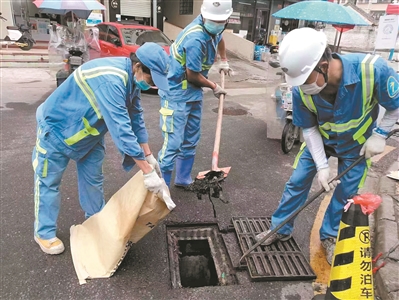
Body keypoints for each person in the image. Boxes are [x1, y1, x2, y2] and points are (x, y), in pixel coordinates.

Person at [255, 28, 399, 264]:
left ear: (323, 65)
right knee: (297, 182)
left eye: (305, 80)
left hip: (357, 145)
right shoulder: (302, 89)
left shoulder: (373, 70)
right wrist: (322, 165)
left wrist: (381, 135)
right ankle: (280, 228)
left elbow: (395, 105)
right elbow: (308, 128)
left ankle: (330, 235)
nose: (301, 87)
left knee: (345, 193)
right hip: (320, 140)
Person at [32, 42, 169, 255]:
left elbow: (136, 117)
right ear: (138, 66)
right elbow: (121, 128)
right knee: (48, 182)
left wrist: (149, 155)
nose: (151, 85)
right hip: (57, 130)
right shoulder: (110, 80)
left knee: (93, 182)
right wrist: (147, 172)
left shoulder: (130, 79)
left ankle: (95, 223)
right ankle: (44, 232)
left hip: (89, 134)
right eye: (151, 79)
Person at [157, 0, 233, 187]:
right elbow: (192, 75)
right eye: (213, 20)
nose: (217, 24)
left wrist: (224, 60)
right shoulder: (195, 38)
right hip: (176, 94)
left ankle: (183, 179)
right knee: (173, 143)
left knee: (191, 138)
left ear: (226, 20)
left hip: (193, 94)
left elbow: (220, 38)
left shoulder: (216, 29)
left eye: (221, 21)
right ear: (203, 15)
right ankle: (162, 188)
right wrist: (214, 86)